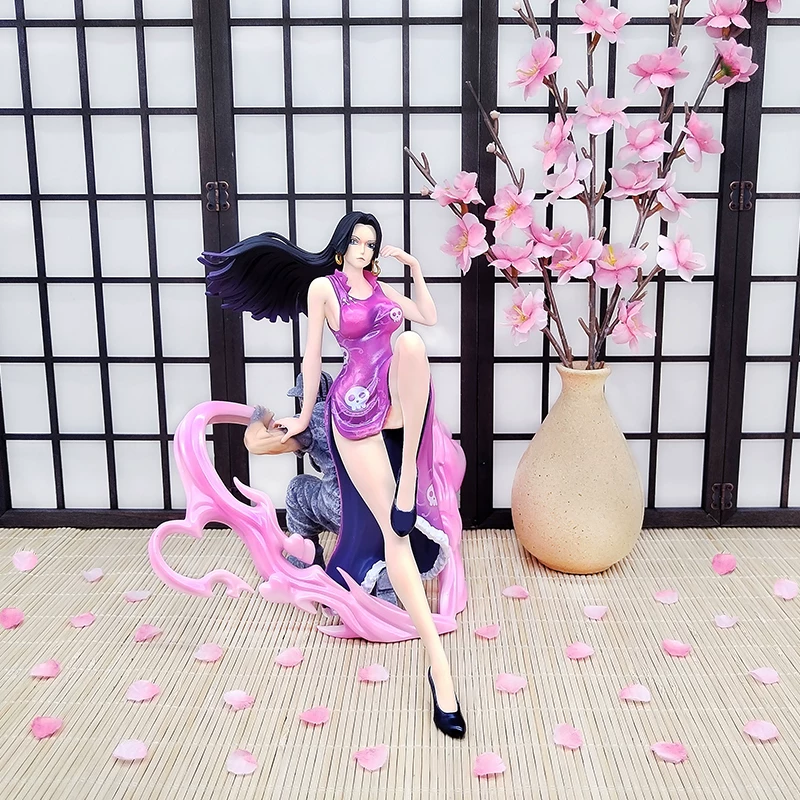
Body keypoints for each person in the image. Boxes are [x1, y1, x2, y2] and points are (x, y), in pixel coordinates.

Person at [202, 211, 466, 738]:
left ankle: (408, 477)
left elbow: (428, 315)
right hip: (356, 404)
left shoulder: (382, 288)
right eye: (358, 242)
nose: (365, 251)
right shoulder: (325, 288)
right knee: (395, 533)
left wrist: (415, 268)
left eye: (372, 244)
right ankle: (441, 672)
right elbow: (311, 359)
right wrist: (303, 418)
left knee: (412, 344)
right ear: (342, 245)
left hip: (398, 399)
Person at [243, 372, 398, 606]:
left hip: (342, 505)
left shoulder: (315, 417)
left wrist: (259, 417)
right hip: (386, 506)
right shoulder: (369, 412)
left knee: (298, 489)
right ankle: (386, 574)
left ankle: (305, 561)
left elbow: (257, 443)